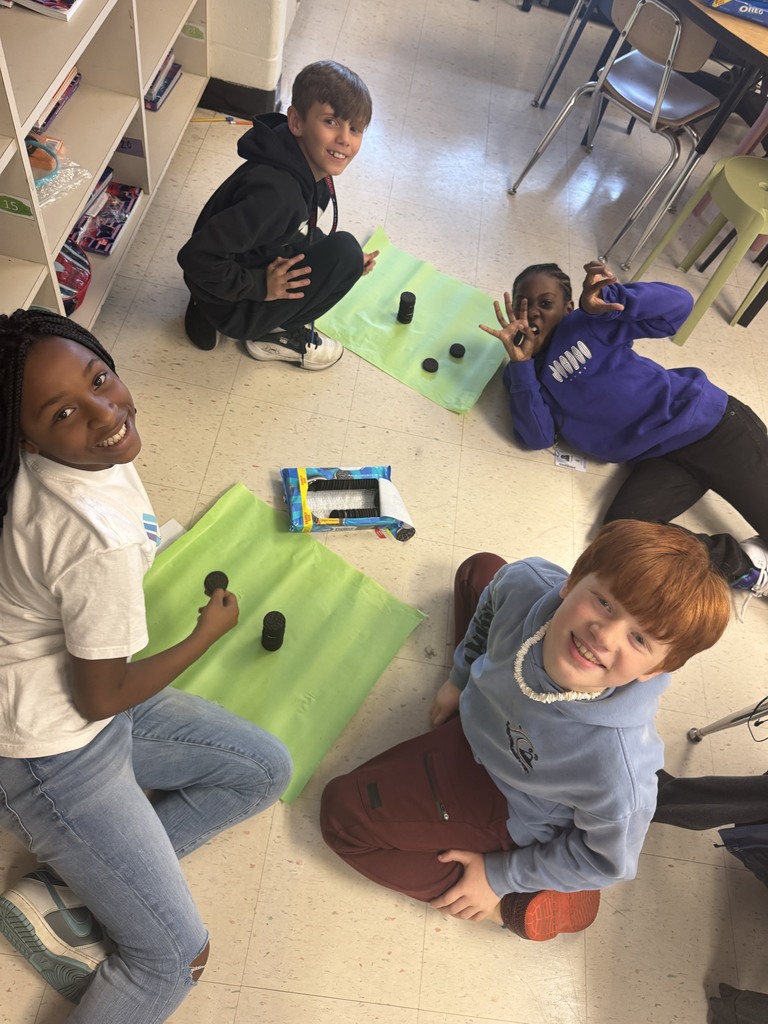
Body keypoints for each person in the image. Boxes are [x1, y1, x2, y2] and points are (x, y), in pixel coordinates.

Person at [0, 309, 293, 1022]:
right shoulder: (92, 539)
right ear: (29, 436)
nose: (105, 412)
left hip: (75, 711)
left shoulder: (69, 464)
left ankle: (70, 891)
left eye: (101, 378)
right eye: (65, 411)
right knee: (174, 958)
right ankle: (100, 887)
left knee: (264, 770)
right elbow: (102, 697)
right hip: (50, 754)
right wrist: (205, 635)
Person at [320, 520, 731, 941]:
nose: (604, 635)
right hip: (486, 707)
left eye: (640, 639)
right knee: (482, 570)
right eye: (605, 602)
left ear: (658, 670)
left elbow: (609, 862)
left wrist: (500, 877)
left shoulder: (616, 771)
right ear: (570, 582)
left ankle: (513, 905)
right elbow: (494, 598)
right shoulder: (528, 583)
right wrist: (460, 677)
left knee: (342, 817)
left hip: (509, 798)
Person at [479, 261, 768, 608]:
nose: (534, 314)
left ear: (567, 308)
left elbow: (679, 308)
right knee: (623, 532)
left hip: (713, 426)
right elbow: (536, 437)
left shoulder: (587, 324)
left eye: (545, 303)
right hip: (660, 458)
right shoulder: (522, 375)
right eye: (523, 305)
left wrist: (613, 299)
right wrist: (523, 366)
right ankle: (746, 563)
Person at [177, 60, 378, 368]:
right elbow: (195, 258)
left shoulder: (302, 164)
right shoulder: (278, 197)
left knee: (341, 253)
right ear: (296, 122)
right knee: (346, 253)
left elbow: (291, 229)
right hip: (233, 296)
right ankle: (271, 334)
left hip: (229, 277)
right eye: (331, 122)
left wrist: (327, 254)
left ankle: (208, 305)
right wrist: (261, 286)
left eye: (355, 128)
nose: (344, 139)